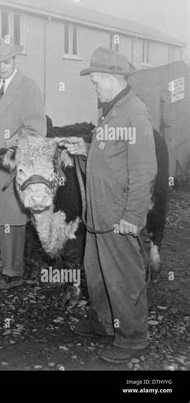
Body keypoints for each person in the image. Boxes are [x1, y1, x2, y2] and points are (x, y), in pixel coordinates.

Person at [61, 47, 157, 363]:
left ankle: (132, 337)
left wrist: (132, 216)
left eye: (96, 81)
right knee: (98, 272)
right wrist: (85, 147)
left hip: (119, 215)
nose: (94, 87)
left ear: (112, 78)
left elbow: (145, 171)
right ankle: (103, 323)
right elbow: (111, 154)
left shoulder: (134, 113)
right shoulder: (112, 110)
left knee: (123, 275)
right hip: (99, 212)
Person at [0, 37, 46, 290]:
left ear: (15, 60)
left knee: (10, 219)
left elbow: (36, 131)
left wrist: (10, 145)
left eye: (6, 61)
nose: (2, 67)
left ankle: (13, 272)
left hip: (9, 166)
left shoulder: (29, 87)